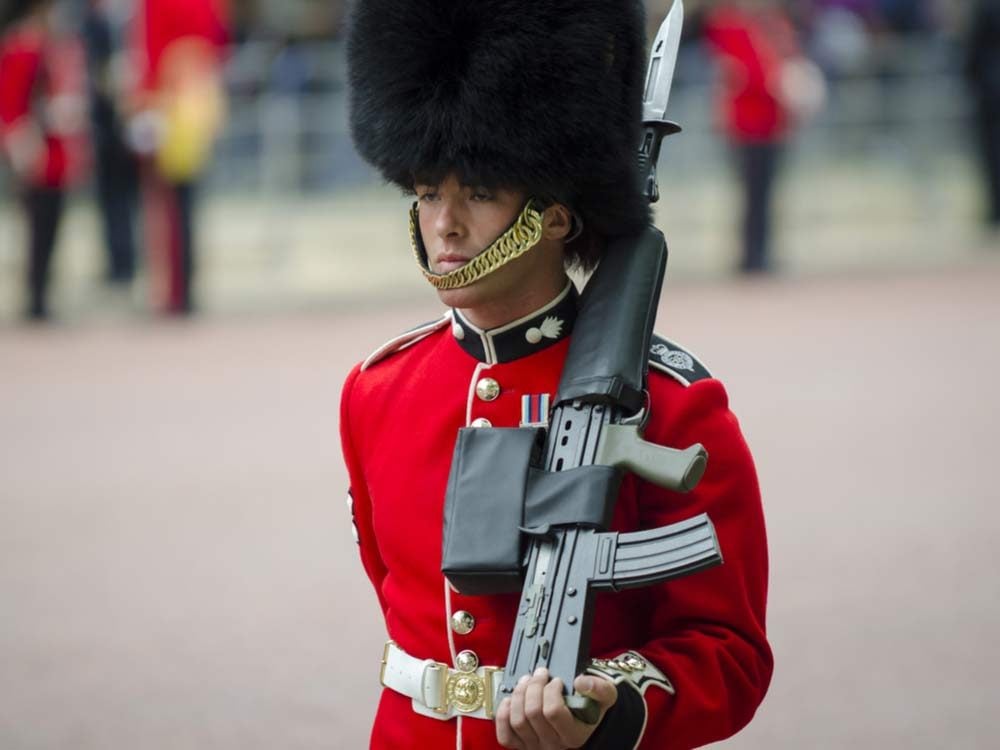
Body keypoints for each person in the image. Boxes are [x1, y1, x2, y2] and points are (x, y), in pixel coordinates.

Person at [339, 2, 772, 748]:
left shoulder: (672, 403)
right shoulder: (377, 391)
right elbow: (395, 592)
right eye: (426, 190)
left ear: (557, 217)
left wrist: (612, 701)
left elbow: (728, 650)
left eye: (478, 192)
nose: (444, 223)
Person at [703, 0, 816, 273]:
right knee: (752, 195)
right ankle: (751, 256)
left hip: (773, 124)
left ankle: (761, 253)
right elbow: (747, 73)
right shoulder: (735, 27)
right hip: (747, 126)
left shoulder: (776, 26)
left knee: (765, 195)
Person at [0, 0, 86, 320]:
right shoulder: (23, 47)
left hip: (58, 153)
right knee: (38, 230)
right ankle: (35, 297)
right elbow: (12, 102)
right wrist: (21, 146)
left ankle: (43, 294)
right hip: (36, 152)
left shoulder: (55, 46)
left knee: (52, 228)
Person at [964, 0, 1000, 231]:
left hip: (990, 91)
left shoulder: (986, 7)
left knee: (992, 154)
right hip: (990, 93)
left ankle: (996, 209)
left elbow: (972, 53)